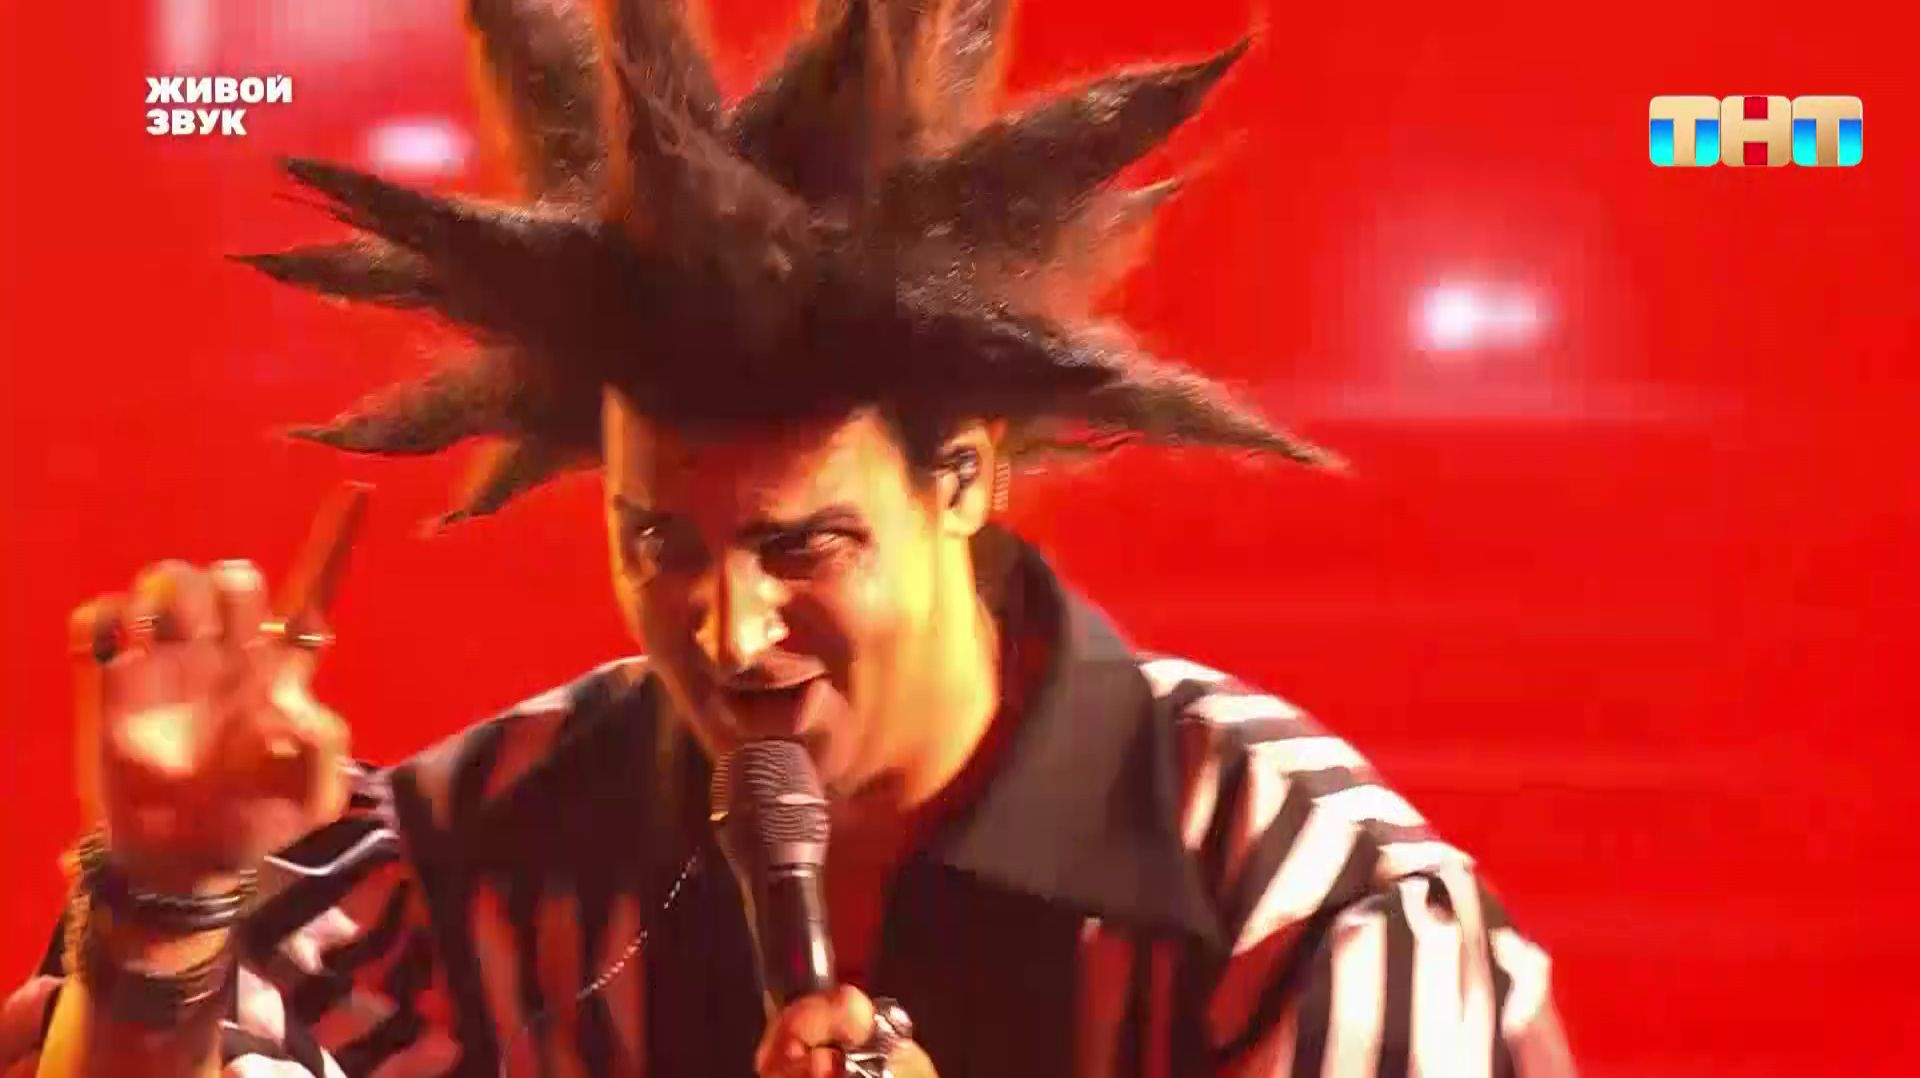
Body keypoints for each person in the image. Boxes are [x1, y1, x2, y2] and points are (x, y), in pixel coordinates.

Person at [1, 0, 1577, 1075]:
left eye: (803, 547)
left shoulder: (1299, 895)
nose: (729, 630)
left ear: (966, 479)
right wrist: (164, 903)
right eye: (661, 545)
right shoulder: (493, 851)